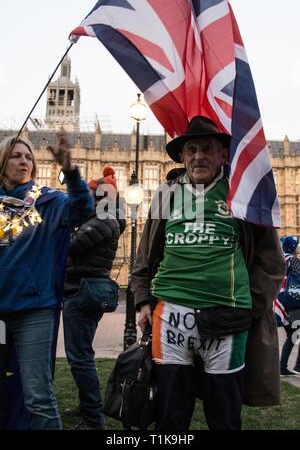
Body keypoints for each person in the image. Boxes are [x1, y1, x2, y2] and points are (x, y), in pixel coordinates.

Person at [132, 115, 285, 431]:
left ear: (224, 155)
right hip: (170, 316)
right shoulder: (166, 195)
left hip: (227, 315)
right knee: (170, 412)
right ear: (183, 156)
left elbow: (271, 261)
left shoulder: (242, 195)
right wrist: (143, 300)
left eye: (206, 148)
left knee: (224, 412)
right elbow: (144, 257)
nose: (198, 156)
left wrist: (251, 306)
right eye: (191, 150)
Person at [0, 134, 93, 430]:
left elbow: (83, 208)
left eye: (28, 157)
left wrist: (70, 170)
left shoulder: (48, 201)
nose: (24, 161)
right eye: (16, 156)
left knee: (38, 397)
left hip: (33, 310)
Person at [63, 166, 126, 430]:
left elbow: (71, 246)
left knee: (80, 358)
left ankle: (93, 418)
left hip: (83, 292)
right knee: (81, 354)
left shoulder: (102, 221)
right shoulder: (101, 219)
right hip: (81, 289)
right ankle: (86, 407)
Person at [274, 236, 300, 376]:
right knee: (294, 334)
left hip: (281, 302)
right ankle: (297, 366)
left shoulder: (279, 259)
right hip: (293, 302)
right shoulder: (294, 261)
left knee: (292, 335)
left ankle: (283, 366)